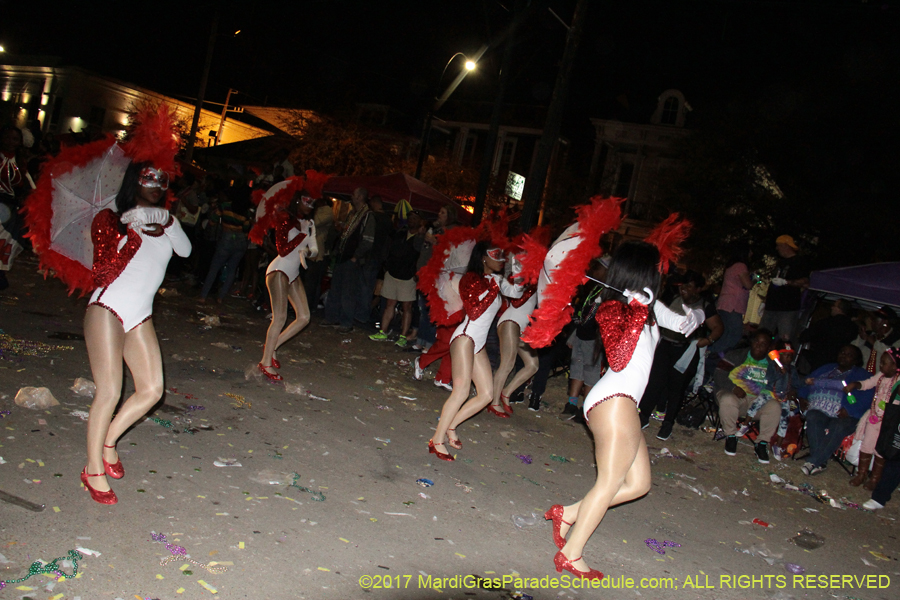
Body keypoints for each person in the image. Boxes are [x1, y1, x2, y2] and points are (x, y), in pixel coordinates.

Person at [544, 240, 703, 579]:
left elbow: (683, 325)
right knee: (610, 482)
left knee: (638, 484)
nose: (663, 274)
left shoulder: (646, 304)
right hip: (613, 400)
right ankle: (571, 554)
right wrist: (637, 312)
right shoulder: (611, 308)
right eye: (658, 268)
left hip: (623, 403)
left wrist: (697, 313)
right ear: (644, 270)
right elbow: (617, 358)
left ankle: (569, 513)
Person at [82, 161, 191, 504]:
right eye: (148, 177)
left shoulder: (165, 222)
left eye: (163, 179)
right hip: (107, 309)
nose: (156, 184)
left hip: (140, 314)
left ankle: (109, 441)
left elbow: (185, 251)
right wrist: (130, 235)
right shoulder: (110, 219)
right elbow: (101, 273)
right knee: (110, 391)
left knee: (152, 390)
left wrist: (168, 220)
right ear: (134, 180)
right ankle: (91, 467)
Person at [428, 242, 521, 461]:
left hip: (478, 344)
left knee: (487, 394)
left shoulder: (495, 281)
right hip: (465, 338)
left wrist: (519, 270)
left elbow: (516, 293)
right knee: (460, 392)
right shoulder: (470, 278)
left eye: (502, 256)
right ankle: (437, 439)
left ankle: (452, 425)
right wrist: (494, 286)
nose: (500, 260)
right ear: (483, 258)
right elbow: (475, 309)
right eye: (495, 255)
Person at [639, 270, 724, 440]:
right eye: (683, 285)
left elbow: (718, 328)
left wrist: (707, 340)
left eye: (689, 286)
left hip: (685, 350)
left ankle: (667, 424)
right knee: (655, 382)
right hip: (665, 345)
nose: (684, 289)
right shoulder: (672, 297)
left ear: (699, 289)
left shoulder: (704, 305)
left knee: (676, 388)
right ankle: (643, 417)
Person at [257, 191, 317, 381]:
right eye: (307, 200)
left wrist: (310, 236)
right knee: (280, 317)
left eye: (313, 202)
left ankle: (272, 346)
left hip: (293, 273)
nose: (311, 205)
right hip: (280, 270)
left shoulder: (305, 223)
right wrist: (301, 235)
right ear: (297, 200)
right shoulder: (285, 218)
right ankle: (265, 362)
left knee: (304, 317)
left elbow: (311, 253)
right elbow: (282, 250)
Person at [798, 345, 872, 475]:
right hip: (819, 409)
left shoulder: (862, 375)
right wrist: (802, 397)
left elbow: (868, 399)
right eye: (842, 352)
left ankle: (814, 461)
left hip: (846, 415)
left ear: (856, 360)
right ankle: (819, 461)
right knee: (813, 416)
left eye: (849, 354)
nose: (844, 355)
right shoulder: (827, 368)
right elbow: (806, 383)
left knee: (838, 426)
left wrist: (850, 409)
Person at [715, 329, 782, 463]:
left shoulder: (773, 364)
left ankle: (762, 443)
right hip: (736, 396)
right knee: (727, 399)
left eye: (763, 344)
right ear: (751, 342)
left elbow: (781, 384)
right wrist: (733, 388)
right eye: (756, 341)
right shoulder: (736, 355)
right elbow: (718, 374)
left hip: (759, 402)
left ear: (769, 348)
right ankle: (731, 436)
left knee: (775, 406)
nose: (758, 346)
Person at [487, 251, 540, 418]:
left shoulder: (538, 281)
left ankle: (505, 393)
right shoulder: (519, 278)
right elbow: (516, 299)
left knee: (533, 365)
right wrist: (523, 278)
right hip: (511, 322)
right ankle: (493, 402)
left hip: (522, 326)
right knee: (507, 364)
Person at [560, 257, 609, 418]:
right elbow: (584, 315)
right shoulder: (594, 289)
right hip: (581, 335)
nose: (594, 271)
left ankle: (585, 409)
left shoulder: (609, 294)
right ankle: (572, 404)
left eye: (598, 268)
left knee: (590, 373)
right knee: (576, 369)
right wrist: (574, 334)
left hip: (594, 340)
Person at [845, 347, 900, 490]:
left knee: (880, 450)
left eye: (884, 363)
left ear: (895, 366)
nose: (880, 366)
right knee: (867, 445)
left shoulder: (898, 381)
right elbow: (868, 383)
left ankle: (875, 478)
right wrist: (856, 384)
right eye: (881, 362)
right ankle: (861, 474)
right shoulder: (881, 376)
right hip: (874, 417)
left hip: (888, 422)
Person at [321, 187, 374, 333]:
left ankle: (346, 322)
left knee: (348, 292)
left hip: (352, 260)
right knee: (335, 289)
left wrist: (355, 257)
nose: (352, 196)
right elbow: (344, 235)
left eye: (354, 195)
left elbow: (368, 241)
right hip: (342, 257)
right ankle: (332, 317)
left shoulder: (367, 216)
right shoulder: (352, 214)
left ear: (361, 197)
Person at [370, 211, 424, 347]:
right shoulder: (400, 233)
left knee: (407, 306)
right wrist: (386, 266)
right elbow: (389, 248)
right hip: (393, 273)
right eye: (410, 218)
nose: (411, 220)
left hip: (408, 276)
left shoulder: (421, 238)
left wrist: (415, 273)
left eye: (415, 218)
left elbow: (421, 255)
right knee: (389, 303)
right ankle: (383, 331)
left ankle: (403, 335)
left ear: (420, 221)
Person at [199, 185, 252, 304]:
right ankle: (221, 297)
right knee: (231, 270)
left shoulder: (225, 206)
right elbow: (246, 228)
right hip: (240, 242)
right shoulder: (246, 212)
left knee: (214, 267)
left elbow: (212, 221)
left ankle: (203, 295)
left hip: (226, 238)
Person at [758, 235, 812, 344]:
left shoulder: (799, 261)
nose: (777, 249)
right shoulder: (781, 262)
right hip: (771, 306)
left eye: (779, 246)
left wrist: (787, 282)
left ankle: (783, 359)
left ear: (785, 246)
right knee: (762, 336)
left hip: (787, 308)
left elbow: (805, 282)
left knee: (785, 338)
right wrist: (765, 301)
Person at [708, 245, 754, 359]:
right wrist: (755, 280)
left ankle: (711, 353)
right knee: (734, 334)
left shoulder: (732, 266)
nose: (751, 254)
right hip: (732, 305)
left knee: (725, 332)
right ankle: (711, 353)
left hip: (726, 303)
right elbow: (747, 284)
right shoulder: (741, 266)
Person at [799, 299, 858, 373]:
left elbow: (805, 336)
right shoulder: (853, 327)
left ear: (839, 309)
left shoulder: (826, 322)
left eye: (834, 306)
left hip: (820, 360)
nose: (831, 307)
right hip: (838, 364)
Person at [853, 305, 900, 375]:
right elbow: (853, 350)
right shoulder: (869, 334)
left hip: (881, 379)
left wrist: (874, 343)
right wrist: (862, 338)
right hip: (861, 376)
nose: (872, 322)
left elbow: (893, 356)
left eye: (875, 319)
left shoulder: (896, 339)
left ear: (885, 322)